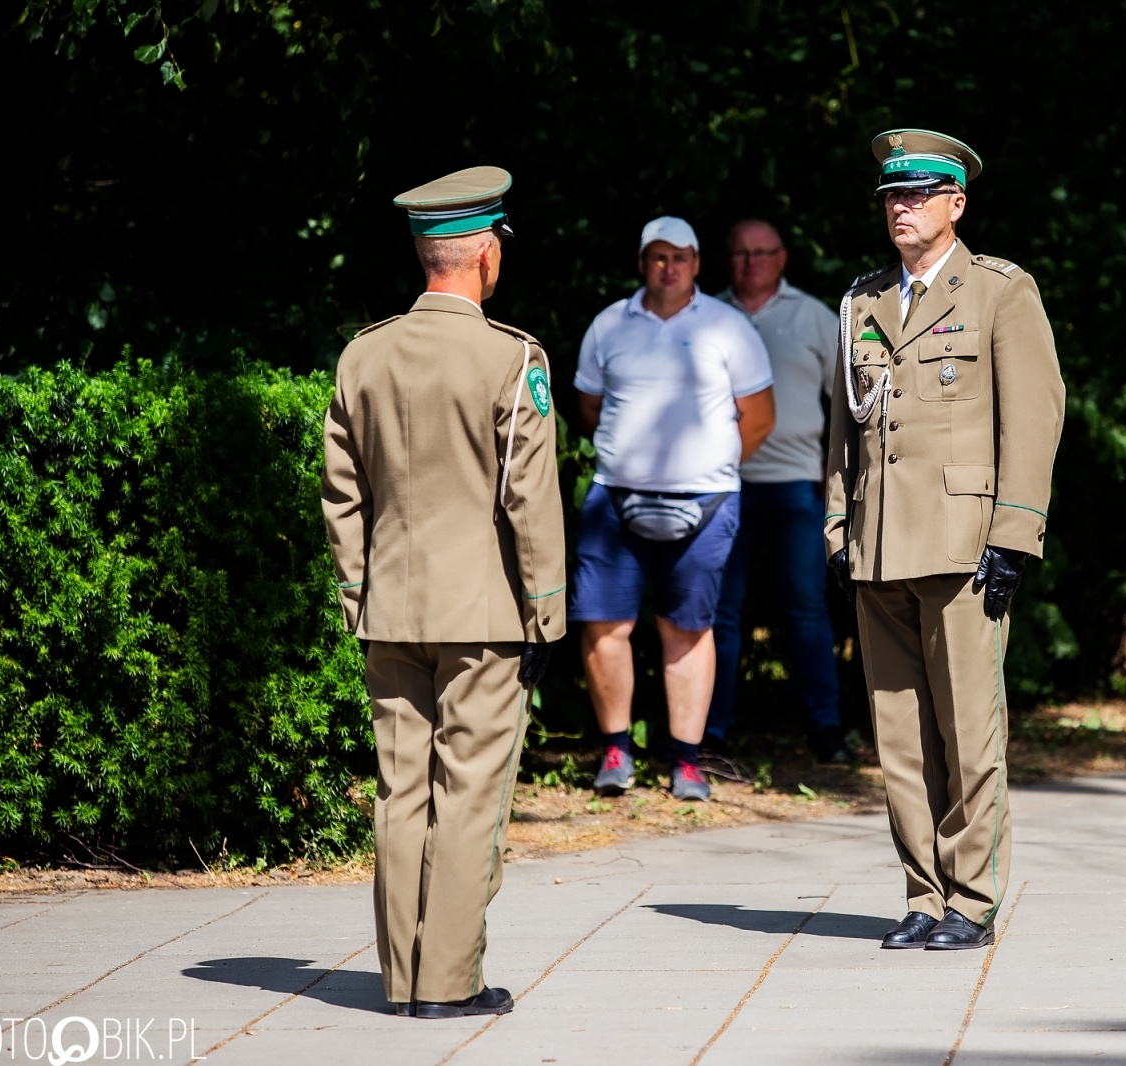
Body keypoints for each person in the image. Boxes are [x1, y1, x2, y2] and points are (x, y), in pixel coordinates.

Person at [321, 166, 565, 1019]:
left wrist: (357, 590)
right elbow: (528, 498)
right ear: (486, 254)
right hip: (485, 612)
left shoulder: (363, 354)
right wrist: (546, 610)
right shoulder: (513, 358)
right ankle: (448, 982)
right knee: (468, 794)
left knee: (400, 791)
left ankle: (400, 980)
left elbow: (341, 493)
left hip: (389, 607)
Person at [825, 130, 1065, 950]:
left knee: (970, 729)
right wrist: (836, 526)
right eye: (892, 195)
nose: (901, 207)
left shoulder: (1000, 291)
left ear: (956, 204)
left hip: (965, 544)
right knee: (898, 738)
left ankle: (972, 897)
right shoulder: (862, 301)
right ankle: (922, 894)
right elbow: (842, 432)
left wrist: (1016, 534)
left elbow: (1034, 418)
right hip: (880, 543)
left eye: (918, 194)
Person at [572, 216, 775, 802]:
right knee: (603, 625)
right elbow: (589, 405)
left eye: (681, 257)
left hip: (707, 503)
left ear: (697, 263)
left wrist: (709, 469)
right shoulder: (609, 324)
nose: (670, 267)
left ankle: (686, 761)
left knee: (688, 629)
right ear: (643, 262)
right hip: (615, 498)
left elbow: (759, 417)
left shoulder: (728, 326)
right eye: (658, 257)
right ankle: (616, 750)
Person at [708, 219, 847, 762]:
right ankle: (710, 733)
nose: (751, 263)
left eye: (762, 252)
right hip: (722, 486)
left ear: (782, 258)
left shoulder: (813, 316)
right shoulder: (707, 314)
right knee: (720, 613)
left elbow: (850, 405)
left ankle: (826, 730)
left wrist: (837, 479)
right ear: (728, 259)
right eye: (741, 253)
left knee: (807, 610)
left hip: (796, 487)